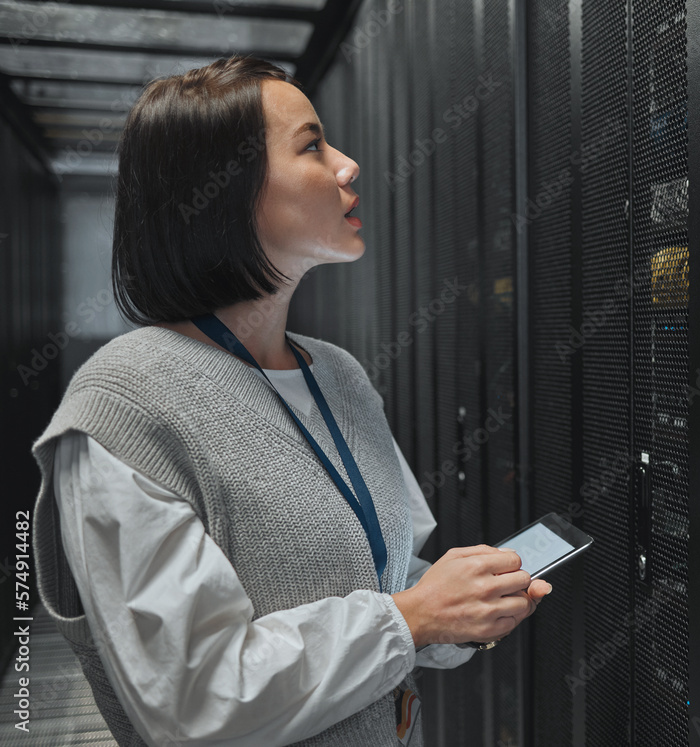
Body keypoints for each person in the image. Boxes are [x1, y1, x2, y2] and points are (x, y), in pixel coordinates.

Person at [29, 54, 551, 746]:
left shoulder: (339, 374)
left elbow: (385, 574)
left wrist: (459, 608)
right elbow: (195, 698)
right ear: (224, 193)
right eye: (312, 145)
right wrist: (413, 618)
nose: (349, 163)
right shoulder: (125, 403)